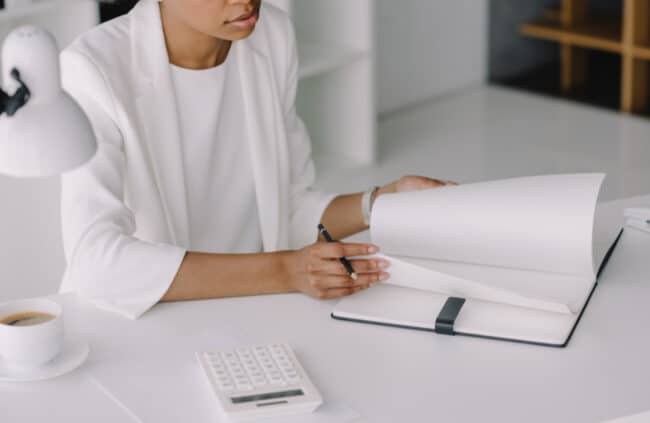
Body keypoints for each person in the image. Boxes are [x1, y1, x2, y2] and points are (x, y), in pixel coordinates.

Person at [59, 0, 453, 319]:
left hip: (249, 310)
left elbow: (289, 211)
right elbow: (97, 264)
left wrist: (383, 201)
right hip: (140, 322)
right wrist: (286, 271)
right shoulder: (94, 67)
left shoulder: (271, 36)